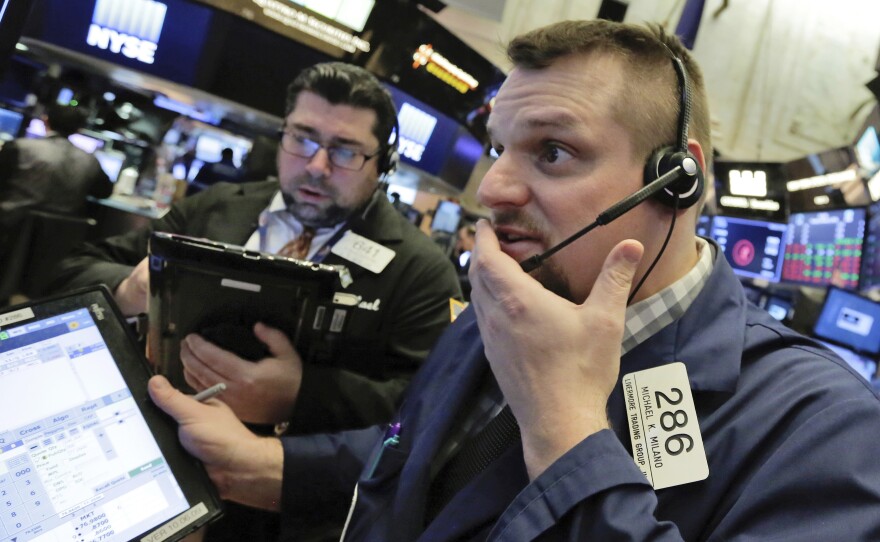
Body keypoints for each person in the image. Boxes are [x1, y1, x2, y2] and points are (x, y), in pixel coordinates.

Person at [148, 20, 880, 541]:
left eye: (553, 152)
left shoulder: (822, 428)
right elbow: (408, 457)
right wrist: (271, 464)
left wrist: (567, 434)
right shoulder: (506, 309)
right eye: (500, 148)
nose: (494, 187)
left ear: (676, 179)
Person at [49, 62, 462, 540]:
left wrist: (301, 395)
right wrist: (131, 289)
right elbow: (72, 275)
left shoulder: (420, 270)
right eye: (302, 138)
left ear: (383, 163)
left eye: (345, 152)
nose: (316, 165)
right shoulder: (216, 207)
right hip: (153, 467)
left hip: (286, 514)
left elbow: (426, 410)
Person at [0, 103, 112, 259]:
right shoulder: (90, 160)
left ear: (45, 121)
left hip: (8, 231)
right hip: (55, 243)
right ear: (79, 129)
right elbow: (105, 192)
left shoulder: (19, 147)